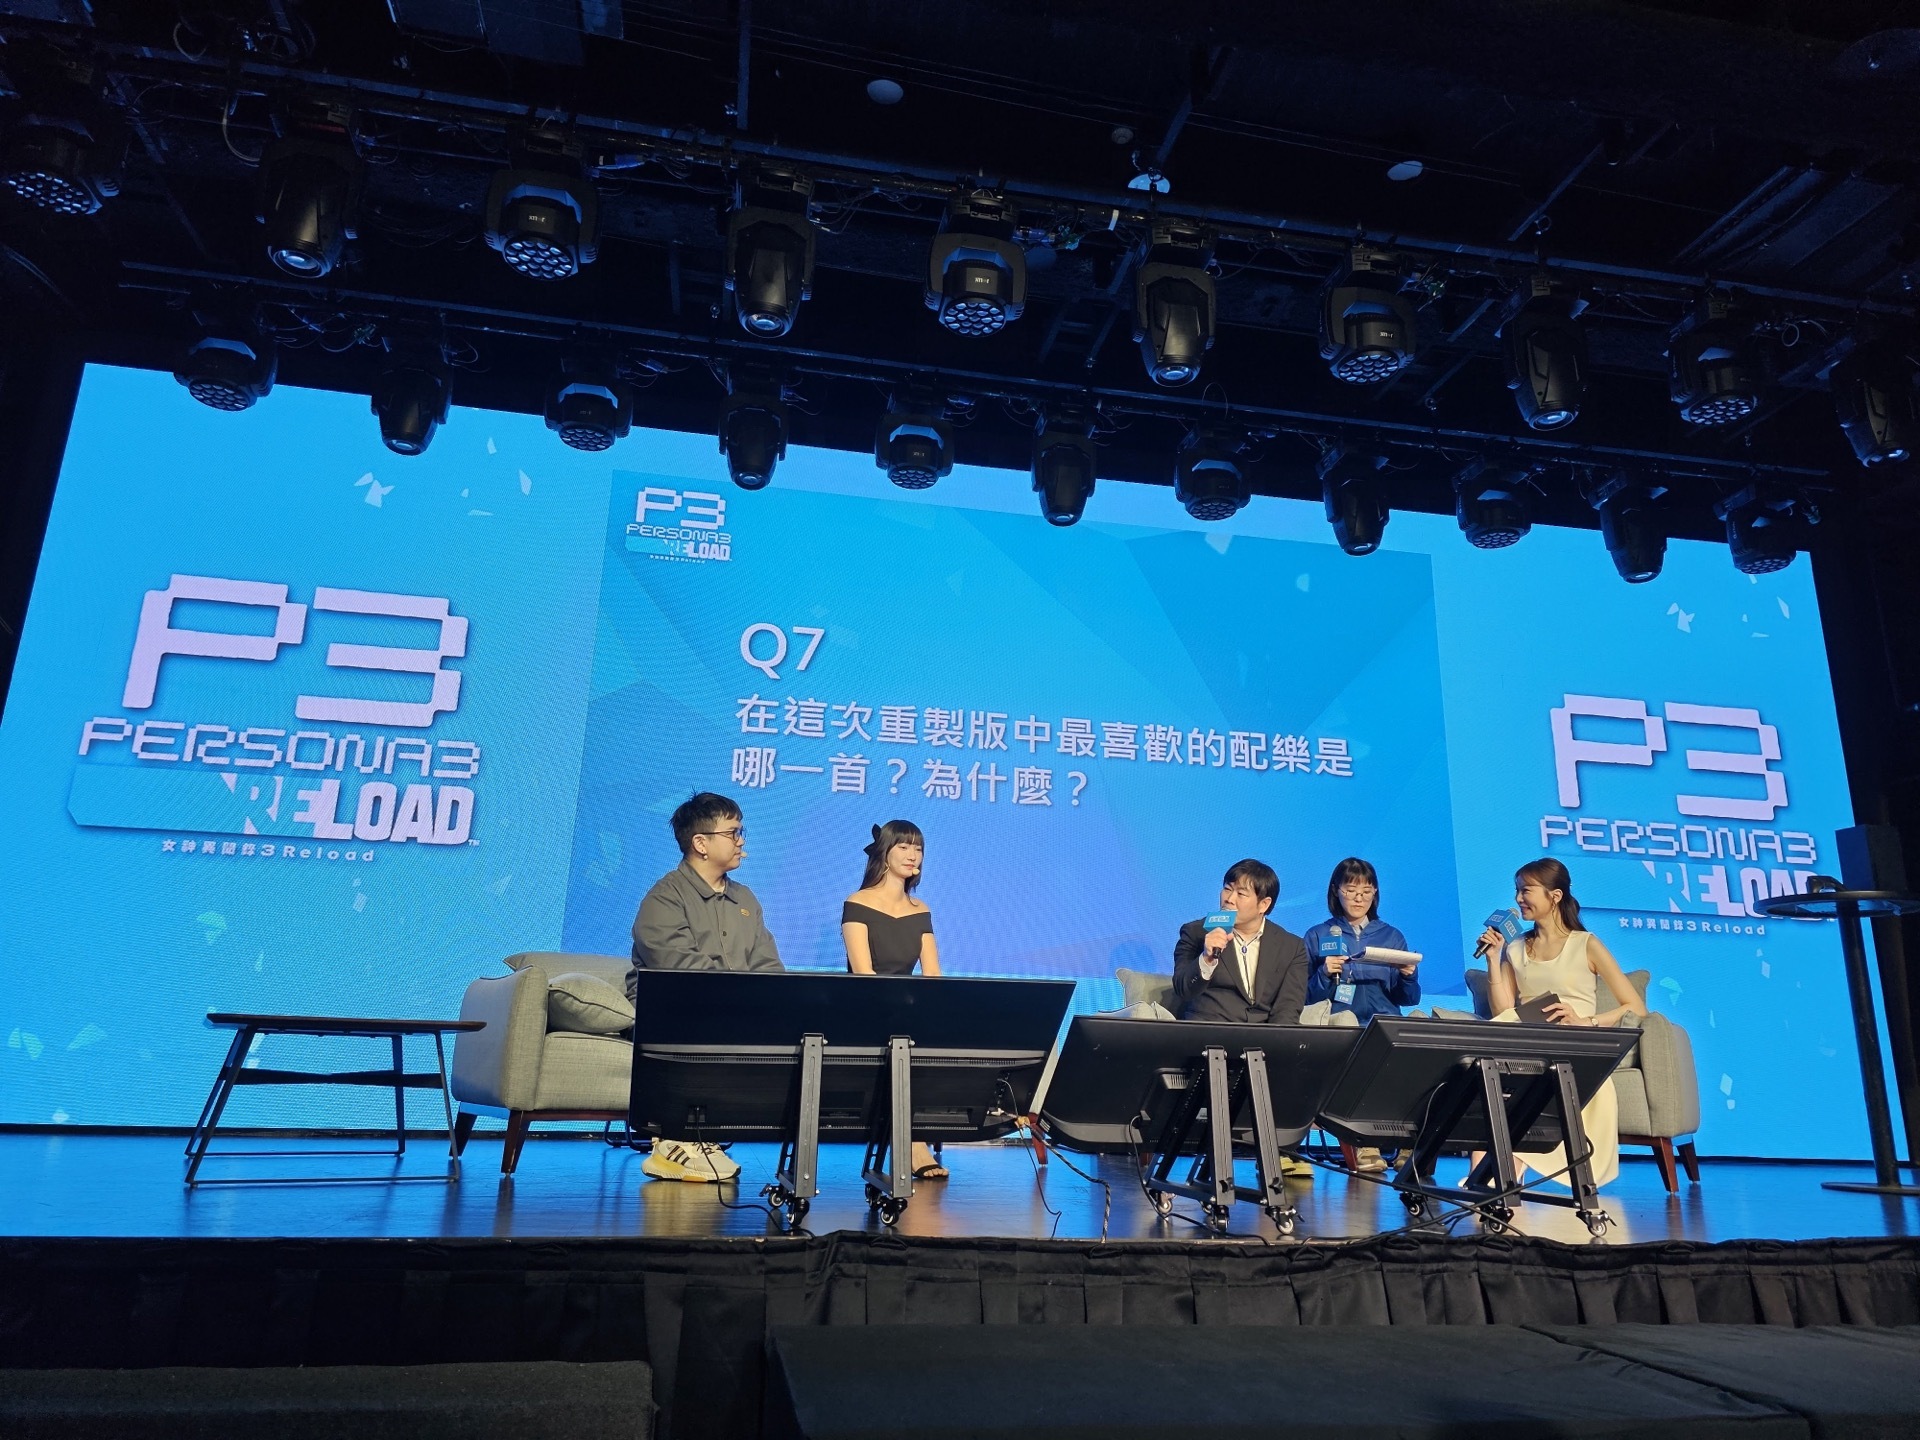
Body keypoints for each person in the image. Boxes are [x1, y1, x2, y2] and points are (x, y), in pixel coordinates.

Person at [629, 791, 783, 1183]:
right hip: (676, 1008)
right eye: (733, 833)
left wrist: (773, 1003)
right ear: (701, 843)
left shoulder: (745, 899)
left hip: (731, 1008)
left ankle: (708, 1135)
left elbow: (768, 966)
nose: (741, 841)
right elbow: (679, 970)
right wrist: (739, 999)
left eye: (740, 832)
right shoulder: (665, 897)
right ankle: (676, 1139)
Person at [1475, 857, 1646, 1189]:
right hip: (1527, 1039)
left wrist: (1586, 1022)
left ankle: (1496, 1180)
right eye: (1517, 891)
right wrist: (1494, 959)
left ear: (1554, 896)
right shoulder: (1516, 947)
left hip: (1573, 1043)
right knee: (1492, 1080)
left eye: (1526, 891)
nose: (1518, 899)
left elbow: (1635, 1006)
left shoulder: (1586, 943)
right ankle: (1489, 1181)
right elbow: (1503, 1010)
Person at [1170, 859, 1312, 1176]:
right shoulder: (1196, 932)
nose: (1229, 899)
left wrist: (1275, 1052)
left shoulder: (1291, 947)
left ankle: (1280, 1150)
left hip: (1261, 1048)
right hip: (1208, 1043)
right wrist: (1207, 958)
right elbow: (1183, 988)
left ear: (1264, 904)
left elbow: (1288, 1009)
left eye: (1241, 893)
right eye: (1227, 889)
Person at [841, 819, 947, 1179]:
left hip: (907, 1008)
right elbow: (863, 973)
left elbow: (932, 976)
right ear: (884, 853)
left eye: (918, 848)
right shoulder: (857, 903)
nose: (912, 854)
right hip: (866, 1007)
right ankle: (913, 1144)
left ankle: (921, 1134)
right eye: (903, 846)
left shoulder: (920, 909)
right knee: (902, 1040)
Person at [1302, 857, 1420, 1173]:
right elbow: (1304, 997)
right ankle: (1364, 1142)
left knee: (1412, 1053)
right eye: (1351, 889)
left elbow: (1408, 999)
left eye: (1366, 891)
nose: (1359, 898)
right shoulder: (1318, 935)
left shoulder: (1391, 936)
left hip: (1384, 1025)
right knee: (1358, 1053)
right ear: (1336, 890)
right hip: (1341, 1025)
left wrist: (1408, 976)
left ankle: (1409, 1143)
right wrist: (1324, 973)